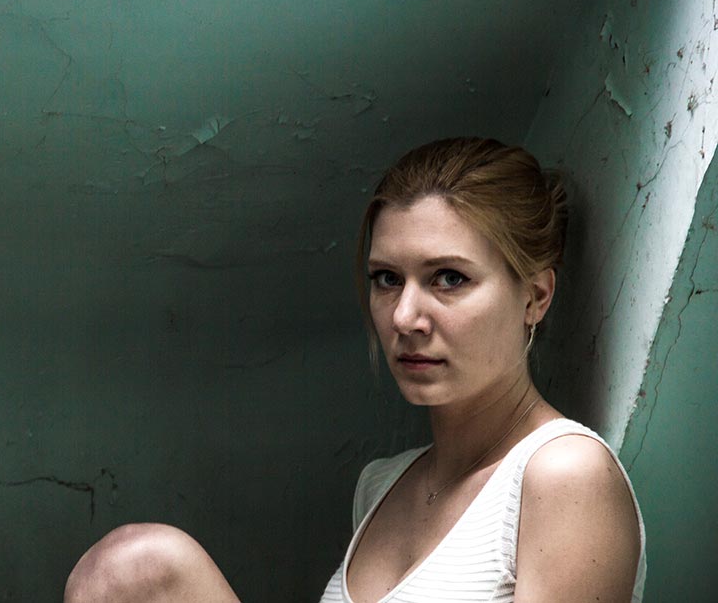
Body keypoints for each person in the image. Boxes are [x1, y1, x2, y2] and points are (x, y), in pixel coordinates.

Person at [63, 138, 646, 602]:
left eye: (449, 278)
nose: (405, 316)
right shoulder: (382, 485)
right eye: (387, 278)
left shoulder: (565, 476)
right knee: (130, 570)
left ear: (535, 296)